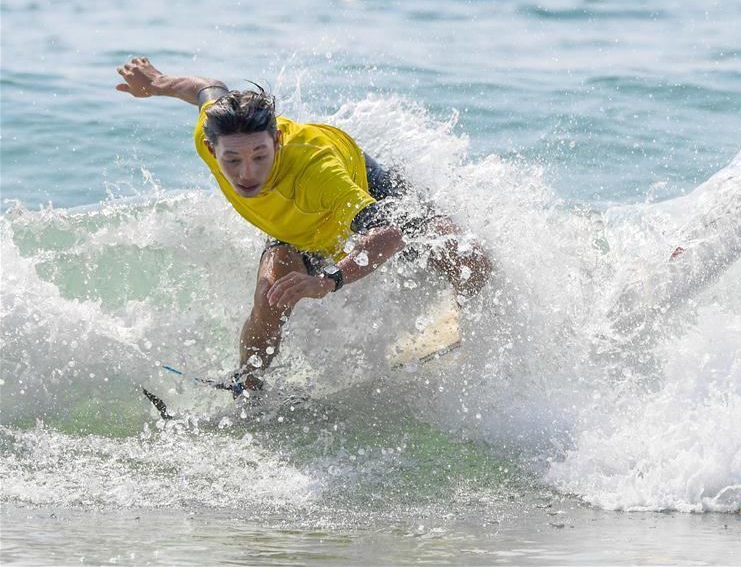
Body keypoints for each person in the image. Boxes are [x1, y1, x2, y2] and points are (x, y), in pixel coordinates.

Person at [116, 57, 491, 393]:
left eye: (260, 156)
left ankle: (475, 340)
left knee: (467, 256)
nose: (247, 174)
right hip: (302, 226)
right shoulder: (210, 133)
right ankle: (248, 389)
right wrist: (158, 82)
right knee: (269, 296)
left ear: (277, 141)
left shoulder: (317, 174)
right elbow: (207, 88)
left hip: (367, 187)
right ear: (212, 150)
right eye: (233, 160)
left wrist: (329, 280)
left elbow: (389, 233)